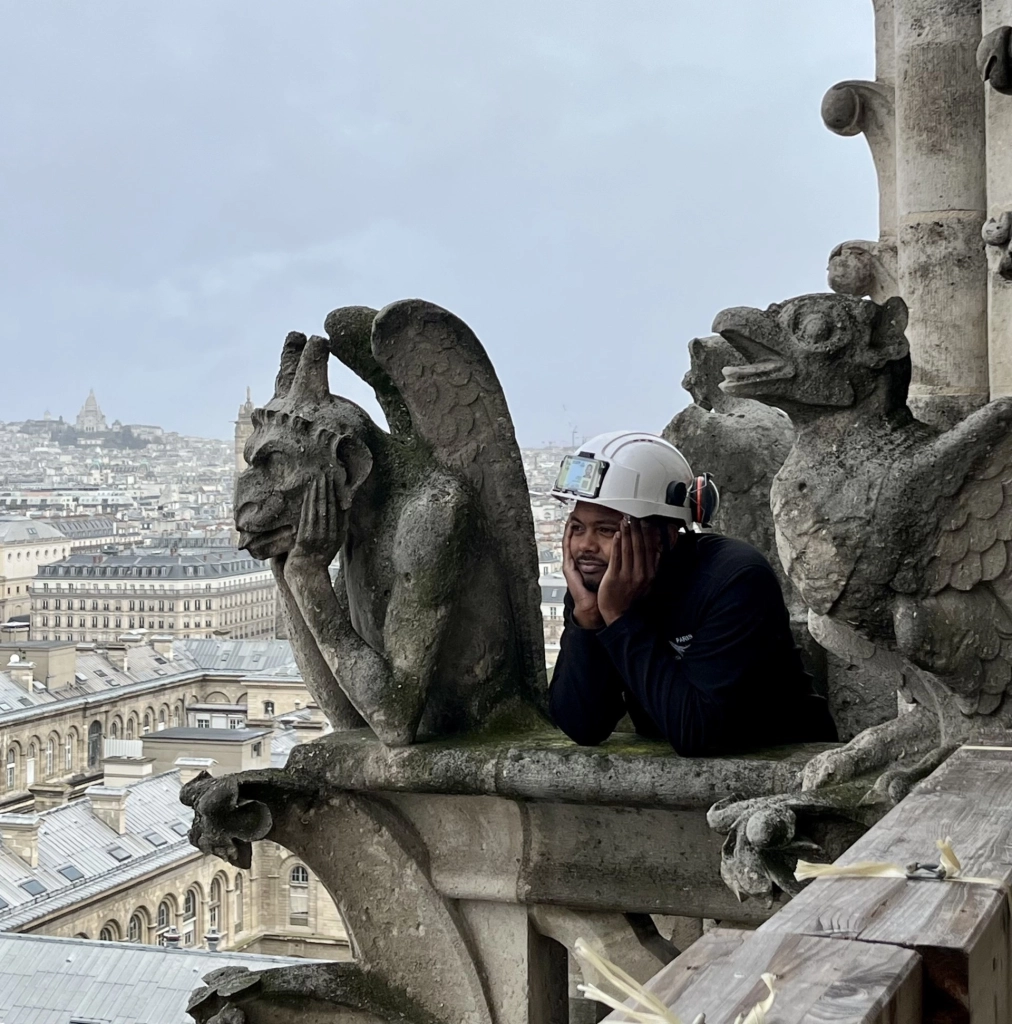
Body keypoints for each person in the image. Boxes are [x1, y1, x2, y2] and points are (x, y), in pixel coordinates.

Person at [548, 431, 837, 756]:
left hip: (786, 766)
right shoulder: (599, 586)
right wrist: (587, 617)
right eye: (576, 528)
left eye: (605, 530)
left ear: (667, 535)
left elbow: (698, 733)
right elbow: (582, 726)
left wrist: (619, 618)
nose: (585, 546)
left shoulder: (734, 579)